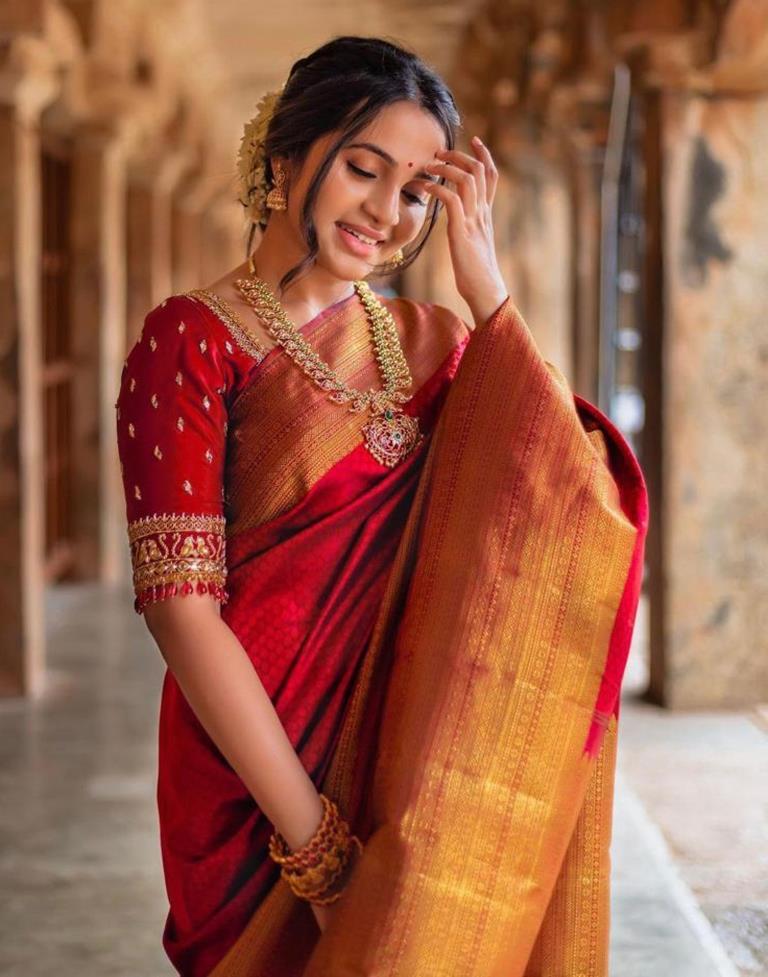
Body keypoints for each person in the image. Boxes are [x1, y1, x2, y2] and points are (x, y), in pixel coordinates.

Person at [115, 35, 648, 977]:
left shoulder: (433, 338)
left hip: (409, 764)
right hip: (255, 785)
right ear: (285, 160)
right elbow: (180, 609)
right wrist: (317, 849)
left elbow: (573, 490)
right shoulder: (189, 342)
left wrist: (487, 293)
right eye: (363, 169)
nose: (387, 212)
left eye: (415, 192)